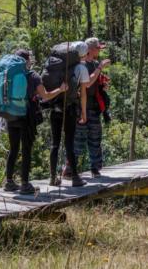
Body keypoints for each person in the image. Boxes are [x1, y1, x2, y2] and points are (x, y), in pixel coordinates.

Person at [4, 49, 67, 194]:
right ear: (27, 61)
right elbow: (45, 96)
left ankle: (9, 182)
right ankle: (25, 184)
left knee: (13, 148)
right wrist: (61, 89)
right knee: (26, 149)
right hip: (26, 117)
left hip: (10, 115)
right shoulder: (33, 76)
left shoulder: (9, 75)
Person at [68, 37, 111, 178]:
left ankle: (95, 168)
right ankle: (69, 169)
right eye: (98, 48)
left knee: (95, 138)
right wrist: (99, 68)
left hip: (94, 107)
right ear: (90, 49)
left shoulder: (94, 63)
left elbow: (94, 83)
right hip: (81, 107)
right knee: (78, 139)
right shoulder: (81, 64)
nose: (99, 51)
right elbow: (86, 84)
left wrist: (103, 86)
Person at [49, 42, 89, 187]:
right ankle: (75, 178)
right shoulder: (81, 68)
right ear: (83, 54)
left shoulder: (57, 64)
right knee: (69, 143)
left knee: (55, 143)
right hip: (70, 109)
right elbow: (83, 93)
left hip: (55, 107)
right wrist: (84, 113)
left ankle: (53, 177)